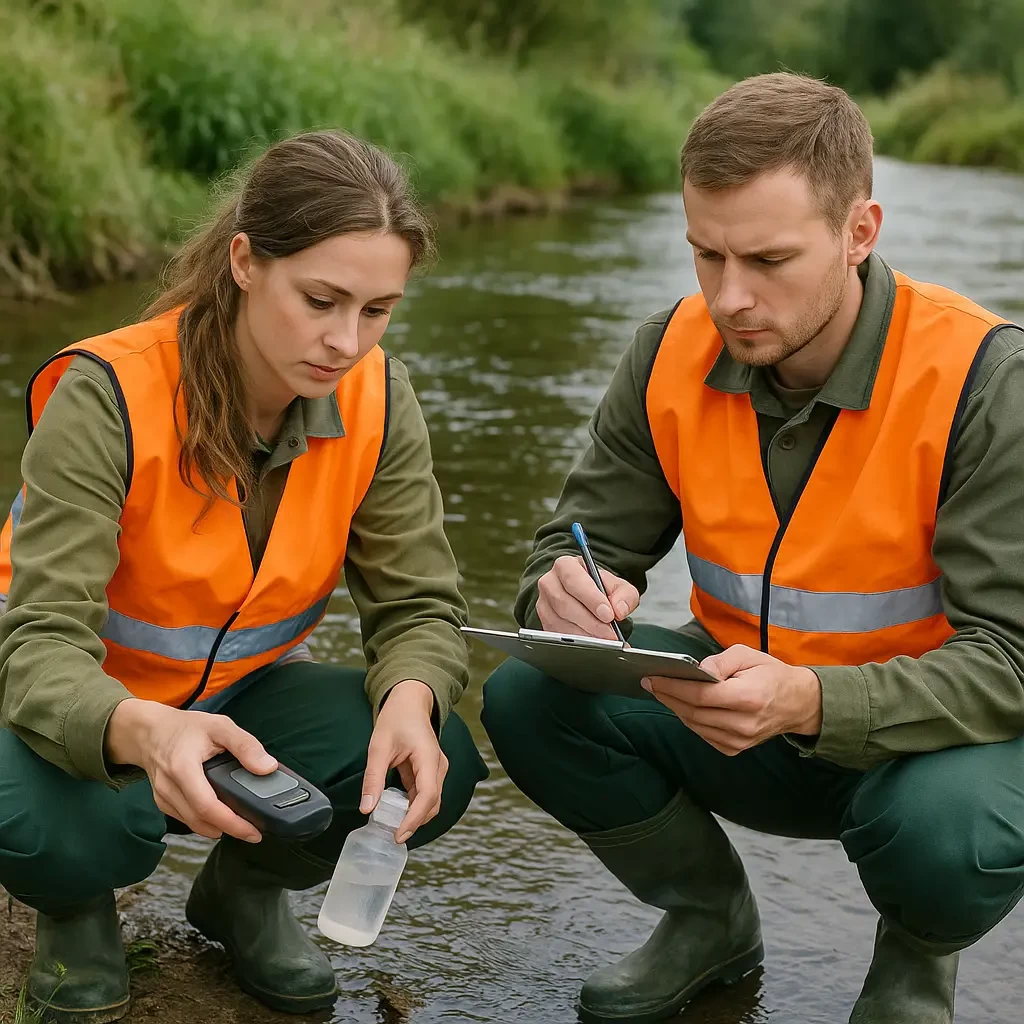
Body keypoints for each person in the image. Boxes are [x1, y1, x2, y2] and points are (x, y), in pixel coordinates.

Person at [482, 72, 1024, 1024]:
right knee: (529, 690)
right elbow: (570, 547)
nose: (730, 297)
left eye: (768, 259)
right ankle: (707, 919)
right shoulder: (668, 353)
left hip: (926, 754)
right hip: (742, 715)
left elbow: (1013, 663)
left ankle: (913, 968)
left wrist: (815, 701)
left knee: (947, 831)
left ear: (861, 232)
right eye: (705, 254)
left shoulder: (988, 380)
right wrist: (562, 590)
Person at [0, 129, 488, 1022]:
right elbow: (36, 648)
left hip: (234, 703)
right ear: (243, 262)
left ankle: (243, 894)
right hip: (63, 708)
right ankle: (75, 915)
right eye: (320, 299)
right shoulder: (107, 393)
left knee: (437, 761)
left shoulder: (381, 398)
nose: (345, 342)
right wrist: (147, 734)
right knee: (72, 830)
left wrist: (414, 695)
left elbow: (417, 603)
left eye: (377, 310)